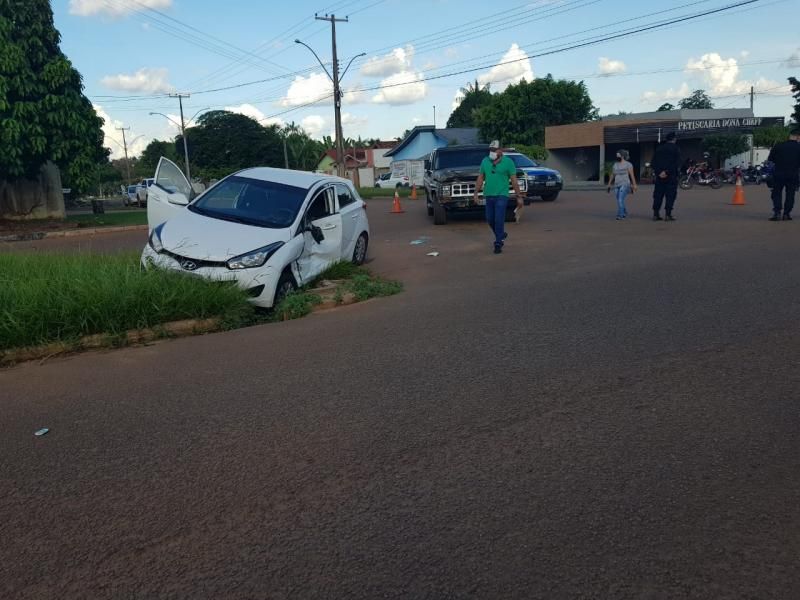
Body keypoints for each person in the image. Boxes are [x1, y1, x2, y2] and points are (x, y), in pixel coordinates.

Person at [474, 140, 524, 254]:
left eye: (494, 150)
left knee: (499, 218)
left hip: (502, 194)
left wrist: (519, 196)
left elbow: (514, 180)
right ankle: (500, 234)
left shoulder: (508, 162)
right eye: (490, 150)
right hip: (489, 194)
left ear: (500, 150)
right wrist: (476, 192)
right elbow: (481, 178)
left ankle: (498, 243)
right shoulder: (485, 161)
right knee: (490, 218)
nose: (492, 152)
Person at [766, 129, 800, 221]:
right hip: (793, 175)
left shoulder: (779, 146)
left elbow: (770, 160)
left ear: (790, 135)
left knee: (776, 193)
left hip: (779, 174)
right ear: (798, 137)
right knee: (790, 194)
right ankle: (786, 214)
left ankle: (777, 212)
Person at [651, 132, 681, 221]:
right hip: (671, 176)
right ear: (674, 139)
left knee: (658, 195)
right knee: (670, 195)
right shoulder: (676, 149)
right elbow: (677, 163)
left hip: (659, 177)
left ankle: (656, 214)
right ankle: (668, 215)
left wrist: (660, 172)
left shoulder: (659, 149)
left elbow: (653, 163)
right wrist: (667, 172)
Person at [607, 149, 637, 220]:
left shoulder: (628, 164)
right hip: (617, 184)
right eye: (616, 155)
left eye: (618, 155)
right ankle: (624, 211)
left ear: (622, 156)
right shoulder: (615, 164)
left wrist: (634, 184)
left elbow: (632, 175)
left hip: (625, 184)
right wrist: (609, 184)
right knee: (619, 199)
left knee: (620, 199)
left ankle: (620, 215)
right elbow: (613, 174)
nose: (617, 156)